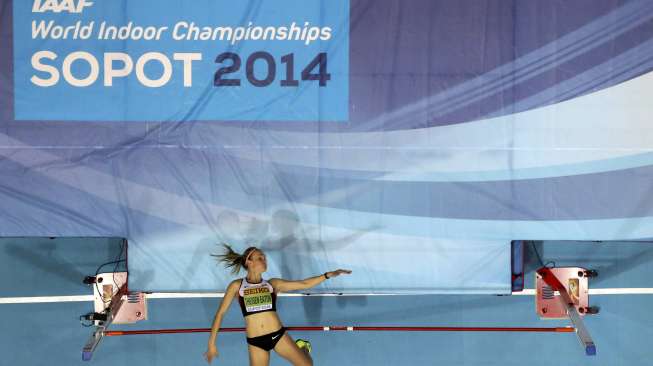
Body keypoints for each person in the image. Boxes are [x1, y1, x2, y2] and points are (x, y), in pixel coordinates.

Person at [204, 244, 352, 365]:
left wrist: (327, 275)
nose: (264, 260)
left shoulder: (273, 284)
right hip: (256, 342)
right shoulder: (237, 286)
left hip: (277, 335)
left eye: (265, 258)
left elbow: (304, 283)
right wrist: (211, 344)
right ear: (249, 262)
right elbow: (220, 314)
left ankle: (303, 347)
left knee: (307, 365)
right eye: (260, 257)